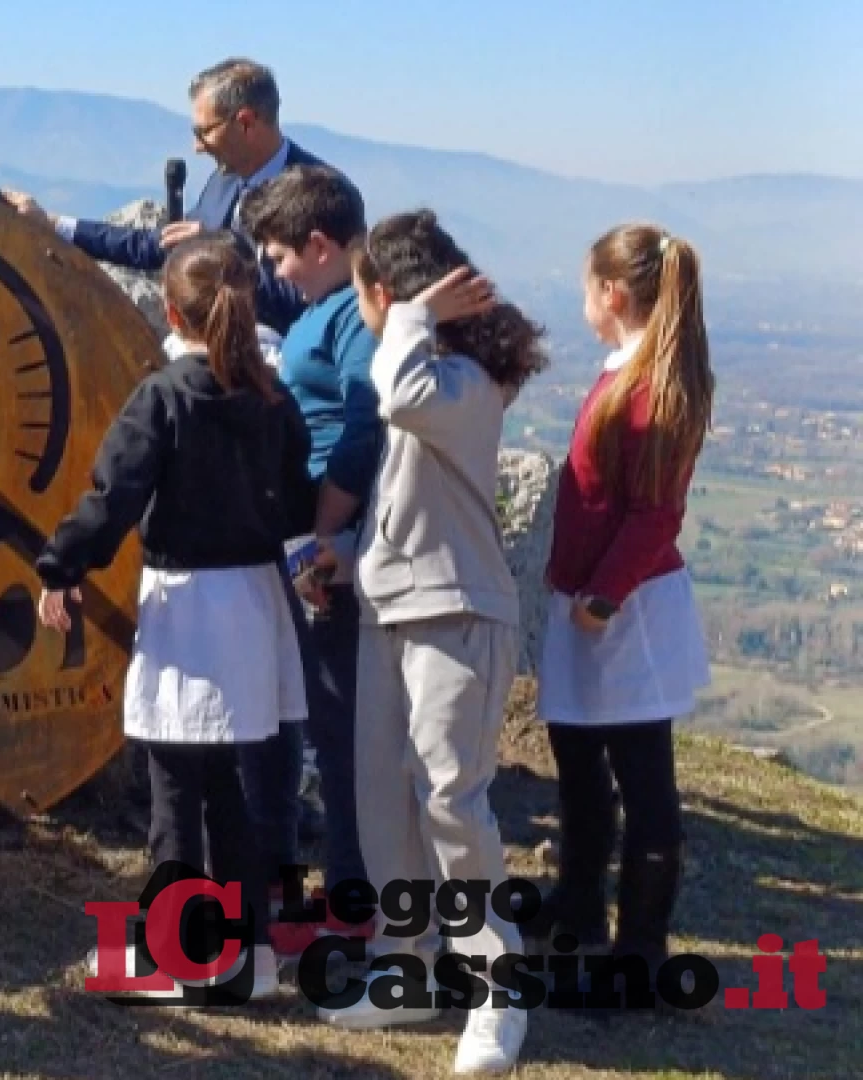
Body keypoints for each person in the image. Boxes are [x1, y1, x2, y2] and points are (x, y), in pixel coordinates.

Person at [38, 233, 312, 998]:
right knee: (233, 789)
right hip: (255, 603)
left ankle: (174, 955)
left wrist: (59, 567)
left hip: (188, 606)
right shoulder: (273, 399)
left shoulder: (161, 397)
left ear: (170, 311)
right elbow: (297, 502)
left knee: (176, 792)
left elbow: (112, 498)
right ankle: (248, 956)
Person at [316, 210, 548, 1075]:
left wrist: (412, 316)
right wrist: (347, 558)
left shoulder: (461, 381)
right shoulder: (433, 375)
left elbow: (399, 395)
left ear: (385, 294)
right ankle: (405, 969)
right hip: (392, 610)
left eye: (365, 296)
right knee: (385, 799)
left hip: (457, 615)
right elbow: (412, 503)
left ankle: (497, 989)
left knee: (451, 800)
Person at [530, 225, 713, 1003]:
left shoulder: (653, 385)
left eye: (586, 287)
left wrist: (605, 595)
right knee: (577, 764)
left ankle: (639, 954)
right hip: (590, 602)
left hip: (624, 612)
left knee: (645, 784)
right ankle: (577, 910)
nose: (583, 300)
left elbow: (654, 512)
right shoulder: (629, 371)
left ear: (611, 294)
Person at [239, 165, 380, 936]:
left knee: (340, 720)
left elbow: (364, 422)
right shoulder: (330, 307)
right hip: (313, 529)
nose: (278, 273)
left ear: (320, 245)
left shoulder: (355, 315)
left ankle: (355, 896)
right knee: (323, 714)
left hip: (330, 538)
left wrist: (324, 533)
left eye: (280, 256)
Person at [0, 58, 330, 335]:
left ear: (245, 123)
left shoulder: (318, 193)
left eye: (203, 132)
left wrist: (223, 254)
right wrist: (55, 225)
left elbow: (304, 302)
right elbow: (161, 245)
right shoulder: (224, 180)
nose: (197, 147)